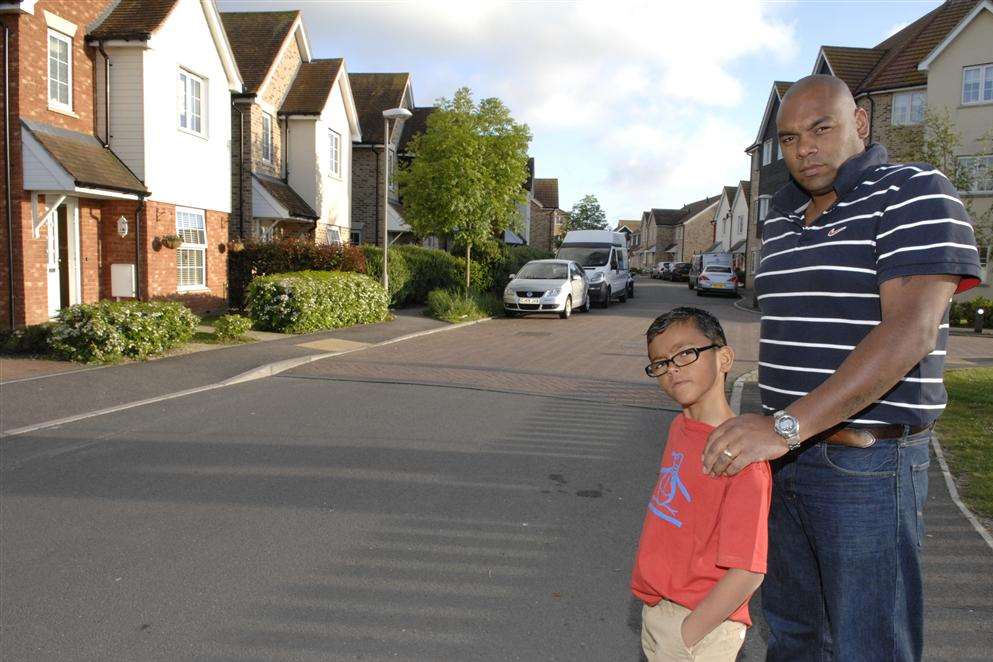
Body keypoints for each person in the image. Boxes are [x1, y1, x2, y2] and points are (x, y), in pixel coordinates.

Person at [702, 75, 983, 661]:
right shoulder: (780, 217)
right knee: (793, 634)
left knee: (868, 645)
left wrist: (785, 427)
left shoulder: (915, 192)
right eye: (788, 138)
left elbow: (909, 332)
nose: (804, 148)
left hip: (867, 464)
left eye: (821, 128)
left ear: (860, 122)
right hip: (783, 463)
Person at [632, 307, 772, 661]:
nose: (672, 367)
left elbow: (748, 571)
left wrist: (686, 636)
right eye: (660, 362)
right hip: (658, 610)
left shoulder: (740, 456)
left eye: (685, 353)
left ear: (724, 358)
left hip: (699, 626)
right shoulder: (680, 428)